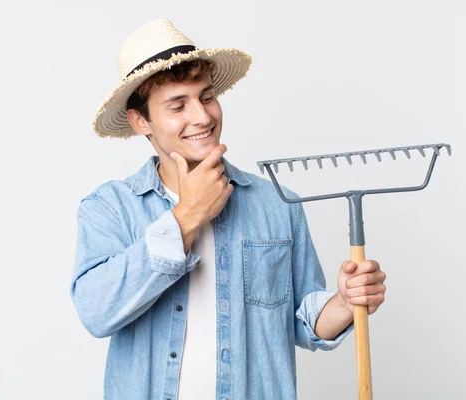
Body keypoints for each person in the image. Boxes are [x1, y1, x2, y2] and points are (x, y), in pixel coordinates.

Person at [70, 18, 387, 400]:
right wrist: (188, 215)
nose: (202, 117)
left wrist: (345, 302)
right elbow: (97, 312)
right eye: (178, 105)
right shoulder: (109, 209)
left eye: (206, 97)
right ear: (141, 121)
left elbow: (304, 323)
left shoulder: (276, 204)